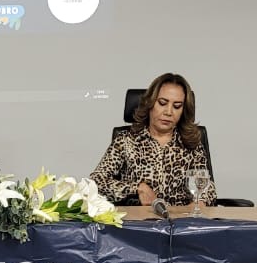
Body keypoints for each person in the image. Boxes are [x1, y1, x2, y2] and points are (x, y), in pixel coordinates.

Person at [90, 73, 216, 207]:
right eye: (162, 103)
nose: (168, 112)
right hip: (139, 217)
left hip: (180, 217)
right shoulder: (126, 141)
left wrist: (200, 202)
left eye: (177, 106)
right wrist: (136, 188)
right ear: (150, 103)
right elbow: (96, 182)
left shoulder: (191, 143)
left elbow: (207, 188)